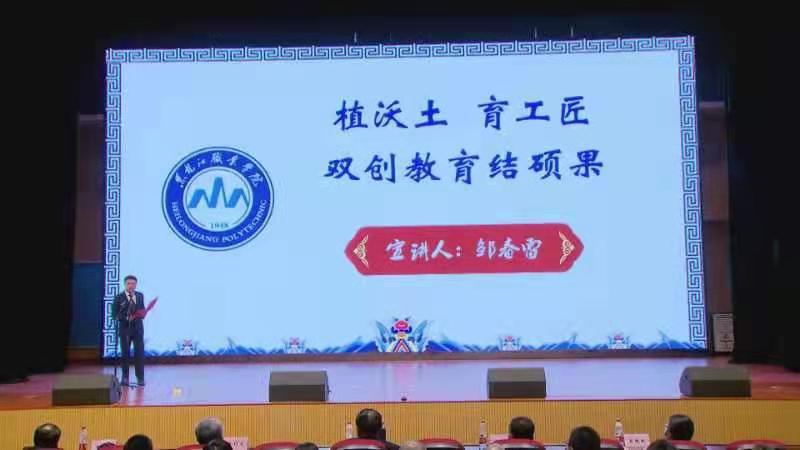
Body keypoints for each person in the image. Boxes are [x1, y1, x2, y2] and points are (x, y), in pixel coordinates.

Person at [112, 275, 147, 386]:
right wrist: (126, 318)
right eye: (128, 283)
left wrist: (142, 314)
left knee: (139, 354)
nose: (131, 286)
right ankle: (125, 377)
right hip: (125, 329)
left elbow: (142, 309)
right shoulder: (119, 297)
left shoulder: (140, 295)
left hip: (137, 329)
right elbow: (114, 315)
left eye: (133, 284)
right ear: (125, 284)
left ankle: (140, 378)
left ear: (136, 285)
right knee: (125, 354)